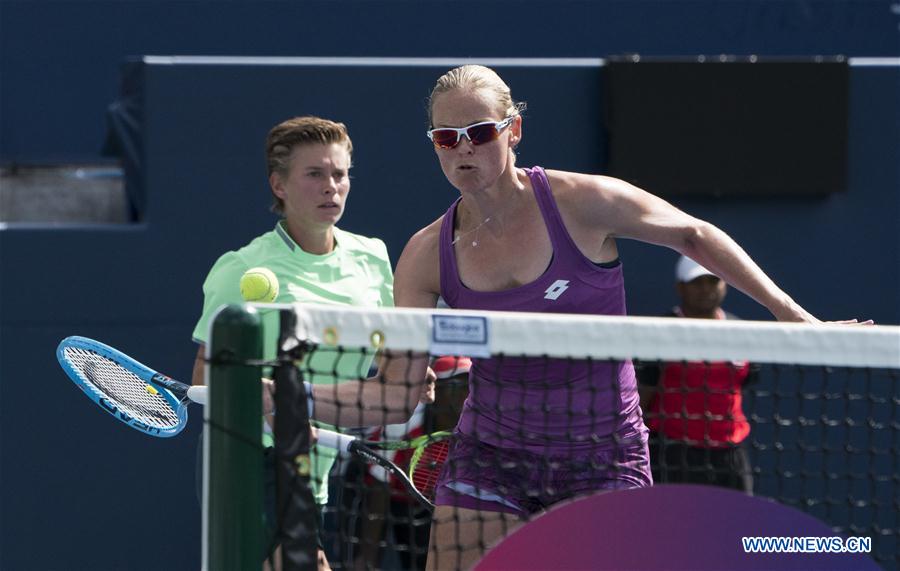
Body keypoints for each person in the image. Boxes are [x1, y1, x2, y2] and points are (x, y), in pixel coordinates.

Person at [306, 64, 867, 571]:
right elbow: (398, 394)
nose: (462, 149)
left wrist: (795, 317)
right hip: (492, 455)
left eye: (479, 132)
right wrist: (287, 394)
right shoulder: (425, 254)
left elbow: (694, 234)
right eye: (446, 138)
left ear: (513, 131)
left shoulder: (581, 203)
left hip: (603, 455)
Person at [191, 116, 395, 570]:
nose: (332, 187)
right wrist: (266, 403)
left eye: (340, 174)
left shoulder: (372, 259)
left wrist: (418, 378)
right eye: (315, 174)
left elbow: (392, 360)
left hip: (316, 465)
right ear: (279, 185)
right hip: (248, 458)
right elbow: (207, 376)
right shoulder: (241, 269)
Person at [637, 255, 759, 494]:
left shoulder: (743, 332)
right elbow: (643, 396)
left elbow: (742, 385)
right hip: (672, 453)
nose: (706, 289)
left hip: (730, 455)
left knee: (739, 526)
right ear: (681, 288)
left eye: (713, 281)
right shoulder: (660, 333)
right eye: (697, 282)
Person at [354, 356, 471, 571]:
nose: (465, 394)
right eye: (457, 385)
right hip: (404, 510)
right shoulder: (403, 427)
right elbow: (379, 492)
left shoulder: (481, 429)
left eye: (469, 385)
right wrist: (366, 558)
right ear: (439, 390)